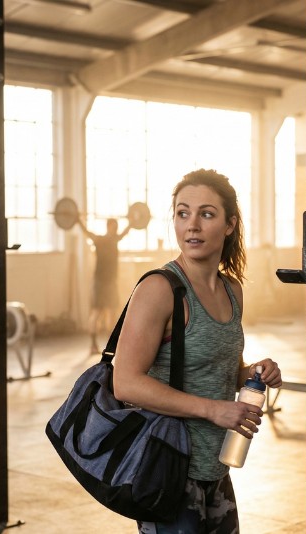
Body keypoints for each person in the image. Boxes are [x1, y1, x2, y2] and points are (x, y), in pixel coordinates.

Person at [112, 169, 283, 533]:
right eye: (182, 213)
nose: (192, 225)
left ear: (229, 224)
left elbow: (222, 371)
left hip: (217, 466)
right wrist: (213, 410)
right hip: (169, 467)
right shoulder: (160, 289)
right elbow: (125, 382)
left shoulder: (232, 291)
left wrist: (254, 373)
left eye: (206, 214)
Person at [77, 215, 131, 354]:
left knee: (112, 312)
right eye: (114, 227)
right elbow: (86, 232)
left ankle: (110, 345)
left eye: (117, 227)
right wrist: (78, 220)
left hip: (111, 281)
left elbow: (127, 230)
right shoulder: (99, 239)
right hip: (100, 282)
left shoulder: (115, 239)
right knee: (97, 312)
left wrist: (132, 221)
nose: (116, 229)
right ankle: (93, 345)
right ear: (108, 227)